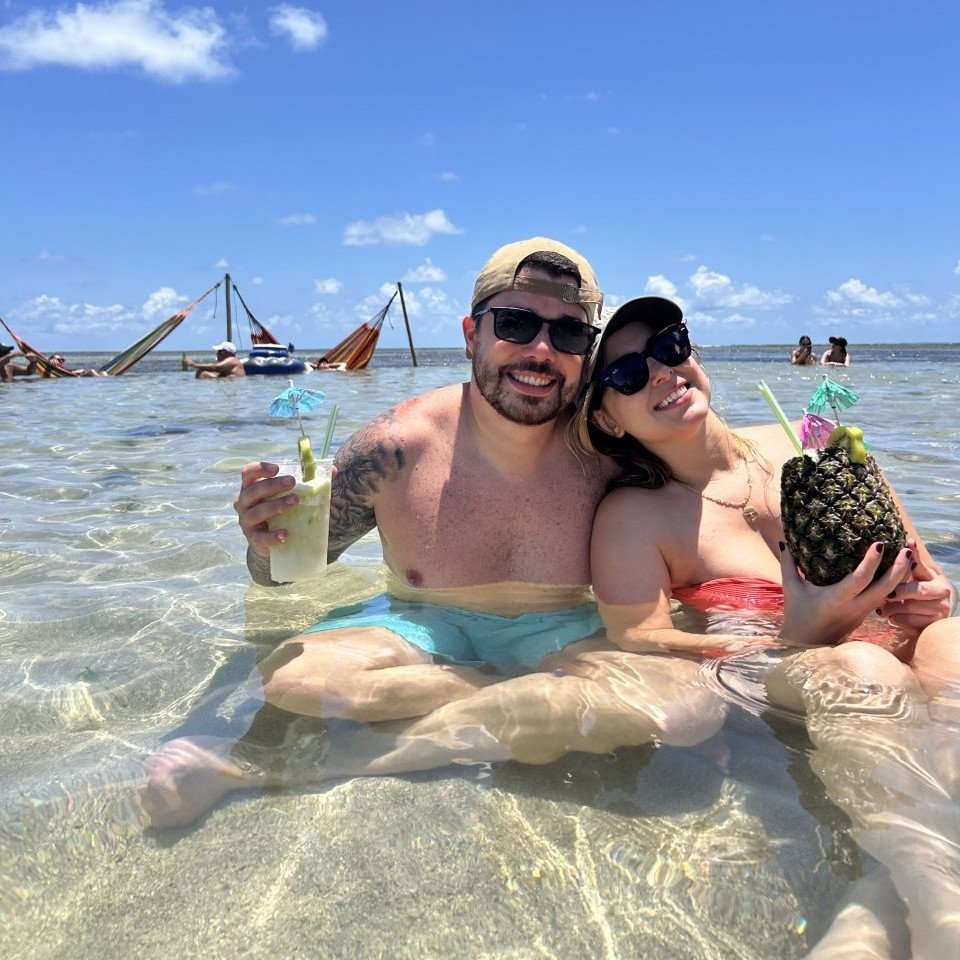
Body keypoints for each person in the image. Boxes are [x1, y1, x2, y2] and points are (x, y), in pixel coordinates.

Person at [140, 239, 725, 827]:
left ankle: (294, 763)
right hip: (421, 624)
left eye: (570, 334)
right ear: (472, 335)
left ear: (587, 351)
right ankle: (530, 705)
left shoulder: (610, 449)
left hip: (560, 629)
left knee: (688, 706)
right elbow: (280, 576)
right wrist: (263, 541)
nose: (541, 351)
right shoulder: (394, 448)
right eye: (516, 324)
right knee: (296, 679)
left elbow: (714, 499)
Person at [569, 295, 960, 955]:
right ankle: (939, 902)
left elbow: (918, 567)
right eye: (628, 374)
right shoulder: (634, 515)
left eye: (669, 346)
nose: (661, 371)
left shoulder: (812, 436)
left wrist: (931, 595)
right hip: (785, 665)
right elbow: (639, 636)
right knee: (860, 667)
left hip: (892, 642)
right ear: (606, 418)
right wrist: (794, 636)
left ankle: (887, 894)